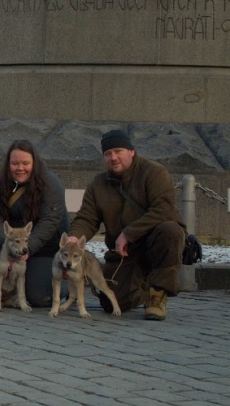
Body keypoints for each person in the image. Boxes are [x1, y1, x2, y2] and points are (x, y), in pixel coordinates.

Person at [67, 130, 186, 321]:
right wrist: (73, 238)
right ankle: (145, 287)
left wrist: (128, 233)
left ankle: (158, 293)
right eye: (107, 154)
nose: (113, 157)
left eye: (118, 151)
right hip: (124, 253)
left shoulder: (154, 172)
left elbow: (164, 209)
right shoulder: (98, 184)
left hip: (155, 242)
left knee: (170, 230)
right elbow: (86, 218)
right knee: (109, 301)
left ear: (131, 151)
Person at [0, 139, 70, 307]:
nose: (20, 168)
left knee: (39, 297)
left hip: (44, 249)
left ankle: (63, 286)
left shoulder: (51, 184)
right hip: (13, 243)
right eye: (15, 163)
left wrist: (27, 247)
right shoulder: (2, 181)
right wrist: (6, 243)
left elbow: (49, 222)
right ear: (8, 164)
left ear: (35, 162)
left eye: (25, 163)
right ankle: (3, 283)